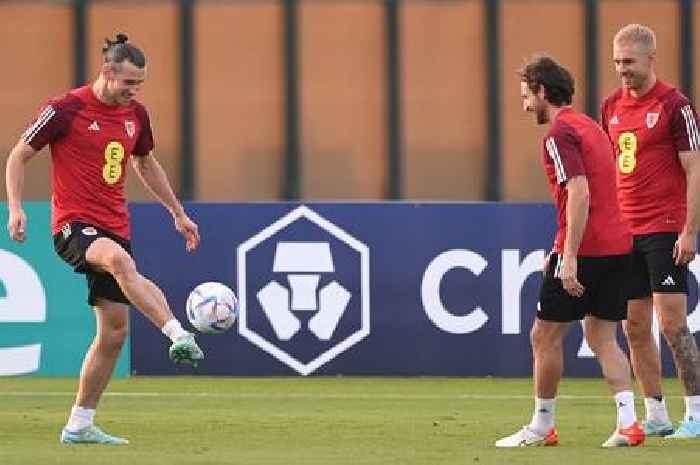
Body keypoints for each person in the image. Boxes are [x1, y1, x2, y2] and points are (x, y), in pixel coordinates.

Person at [5, 33, 204, 445]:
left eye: (140, 84)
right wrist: (17, 207)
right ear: (108, 72)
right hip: (73, 226)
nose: (134, 91)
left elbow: (145, 163)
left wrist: (178, 213)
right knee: (119, 262)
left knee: (114, 333)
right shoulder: (65, 108)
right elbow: (18, 155)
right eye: (129, 82)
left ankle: (79, 424)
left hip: (115, 226)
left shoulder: (136, 115)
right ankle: (177, 334)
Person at [495, 55, 644, 448]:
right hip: (618, 246)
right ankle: (629, 424)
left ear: (543, 92)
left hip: (588, 250)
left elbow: (579, 191)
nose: (525, 105)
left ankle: (542, 426)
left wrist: (570, 256)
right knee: (603, 338)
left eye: (527, 96)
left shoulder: (558, 133)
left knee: (543, 336)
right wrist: (558, 248)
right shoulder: (590, 126)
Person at [601, 23, 700, 439]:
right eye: (617, 63)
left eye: (629, 62)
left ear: (650, 58)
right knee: (634, 326)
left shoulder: (675, 105)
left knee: (673, 324)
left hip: (664, 227)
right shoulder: (611, 106)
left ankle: (695, 414)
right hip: (627, 231)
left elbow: (694, 169)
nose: (623, 70)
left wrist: (689, 231)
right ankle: (655, 413)